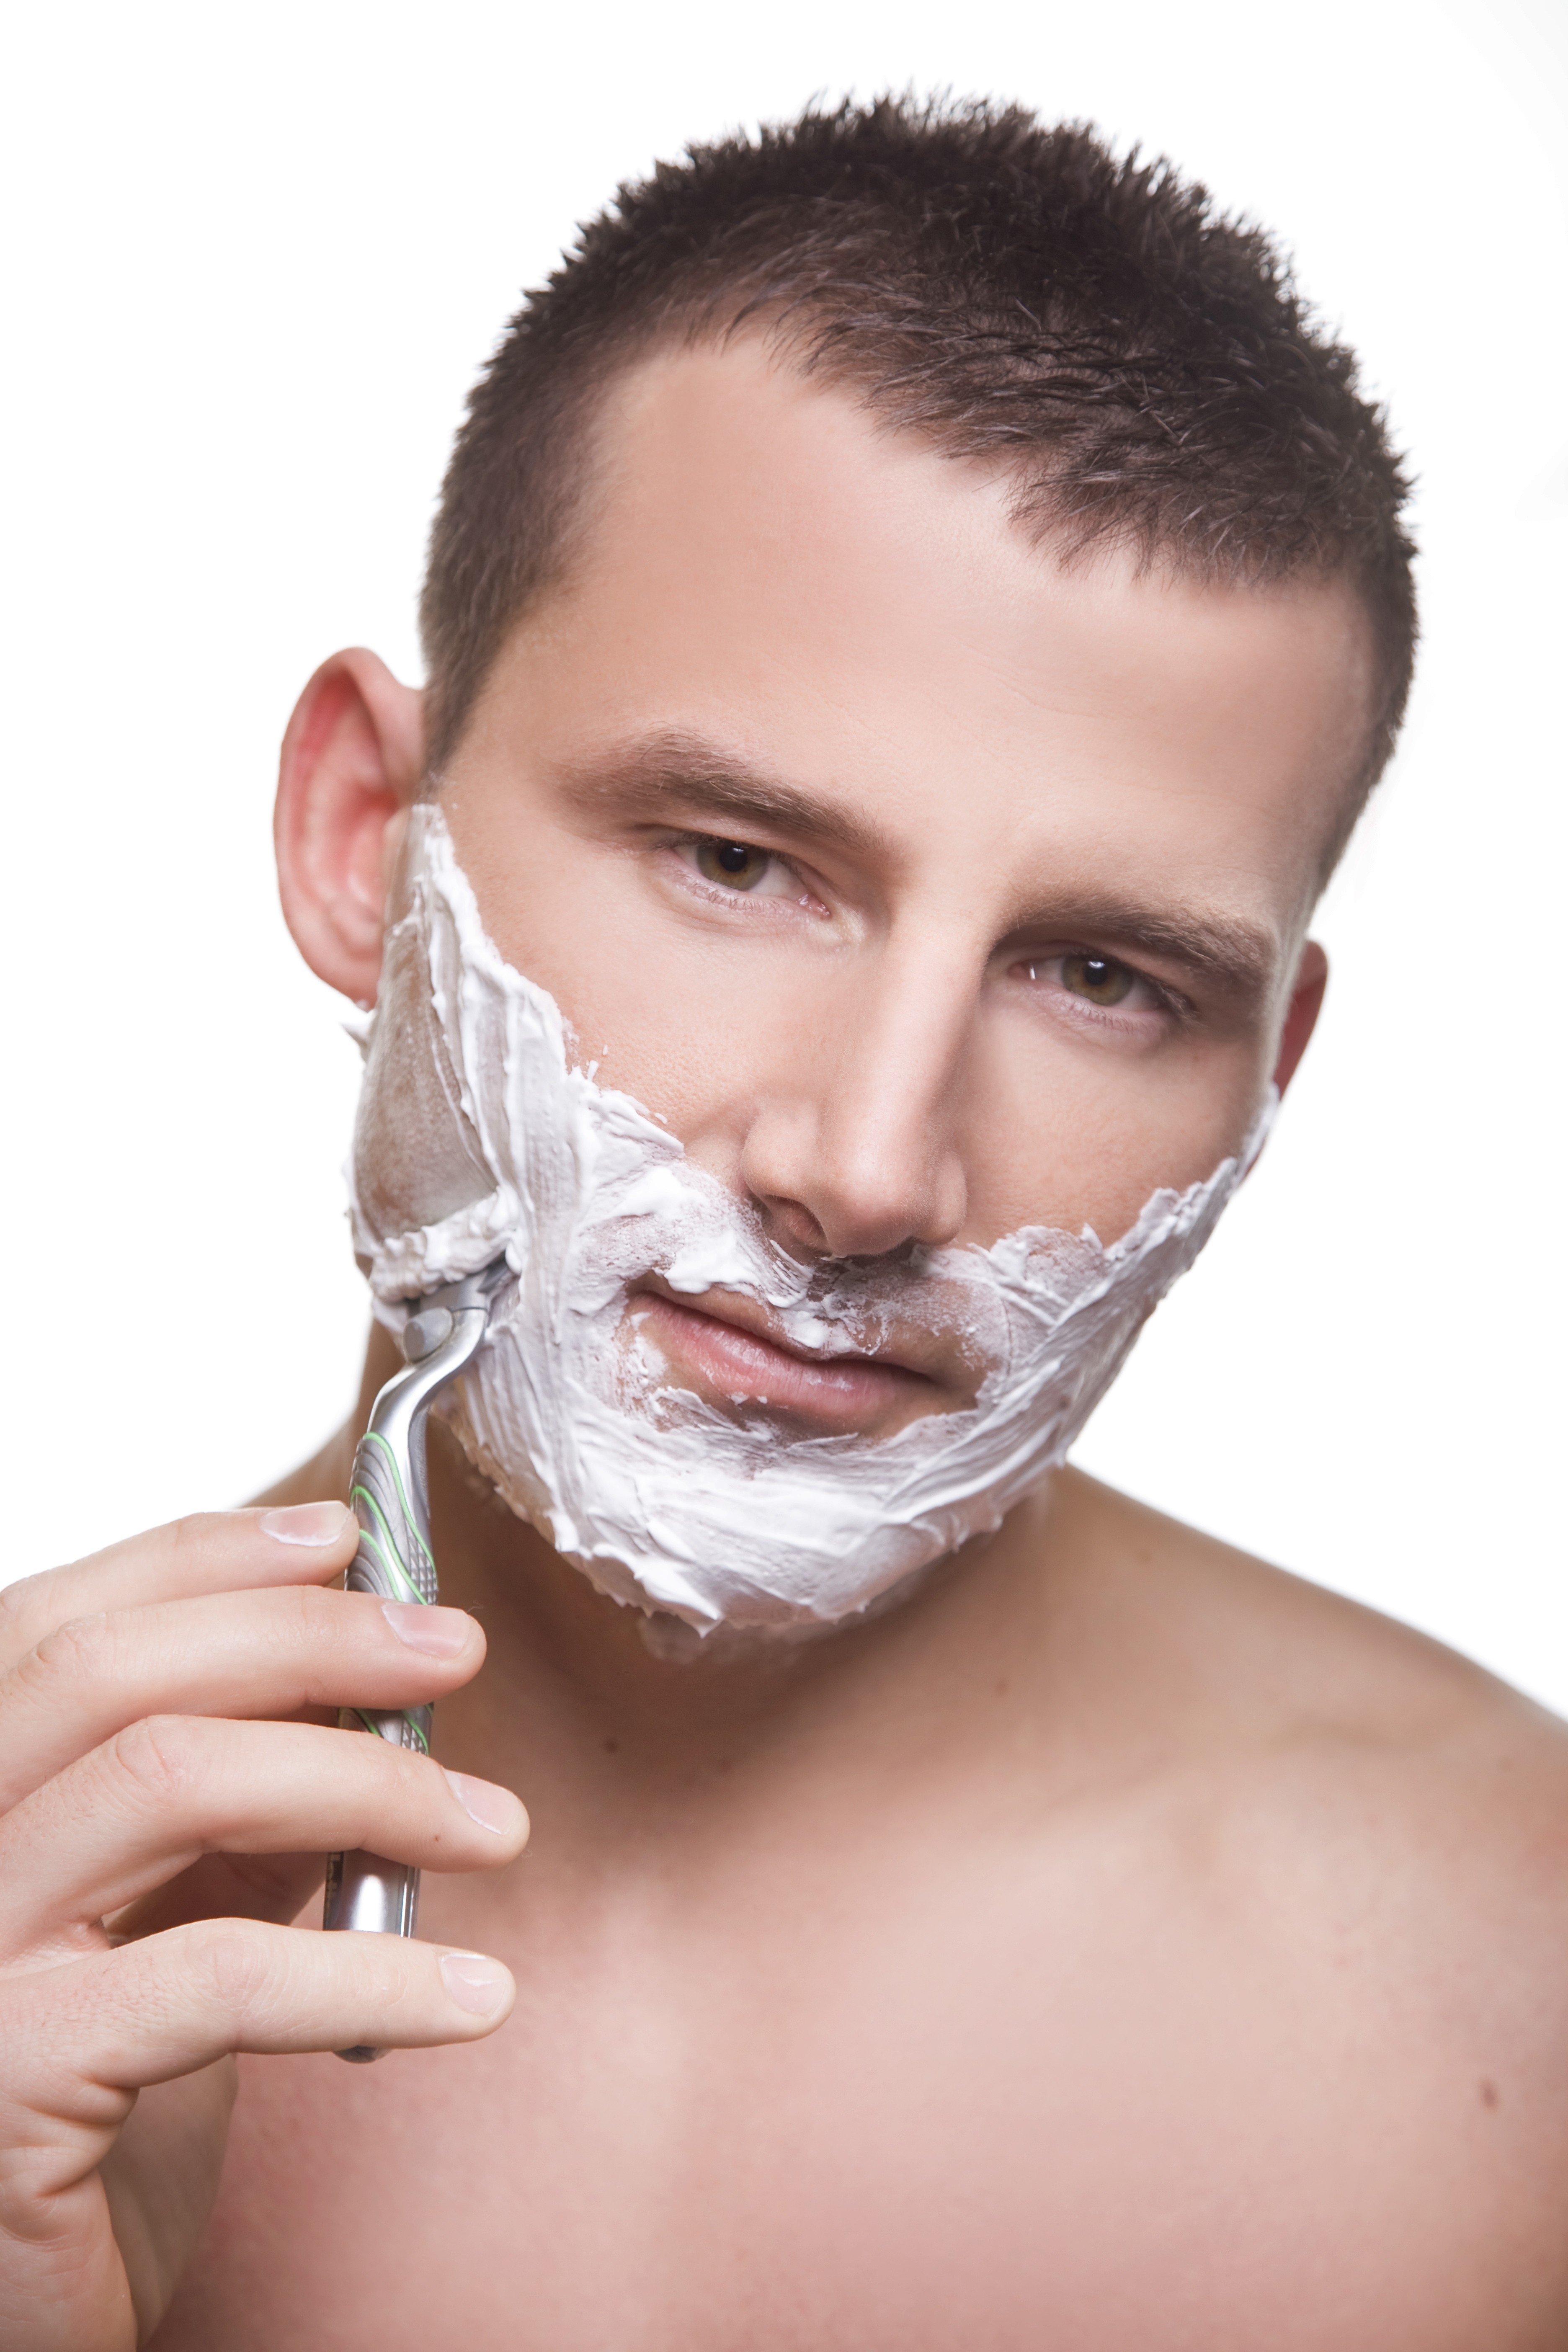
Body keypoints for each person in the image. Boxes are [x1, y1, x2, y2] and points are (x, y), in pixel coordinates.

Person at [4, 95, 1566, 2352]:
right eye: (738, 861)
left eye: (1103, 975)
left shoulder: (1518, 1990)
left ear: (1268, 1073)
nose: (869, 1170)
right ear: (366, 838)